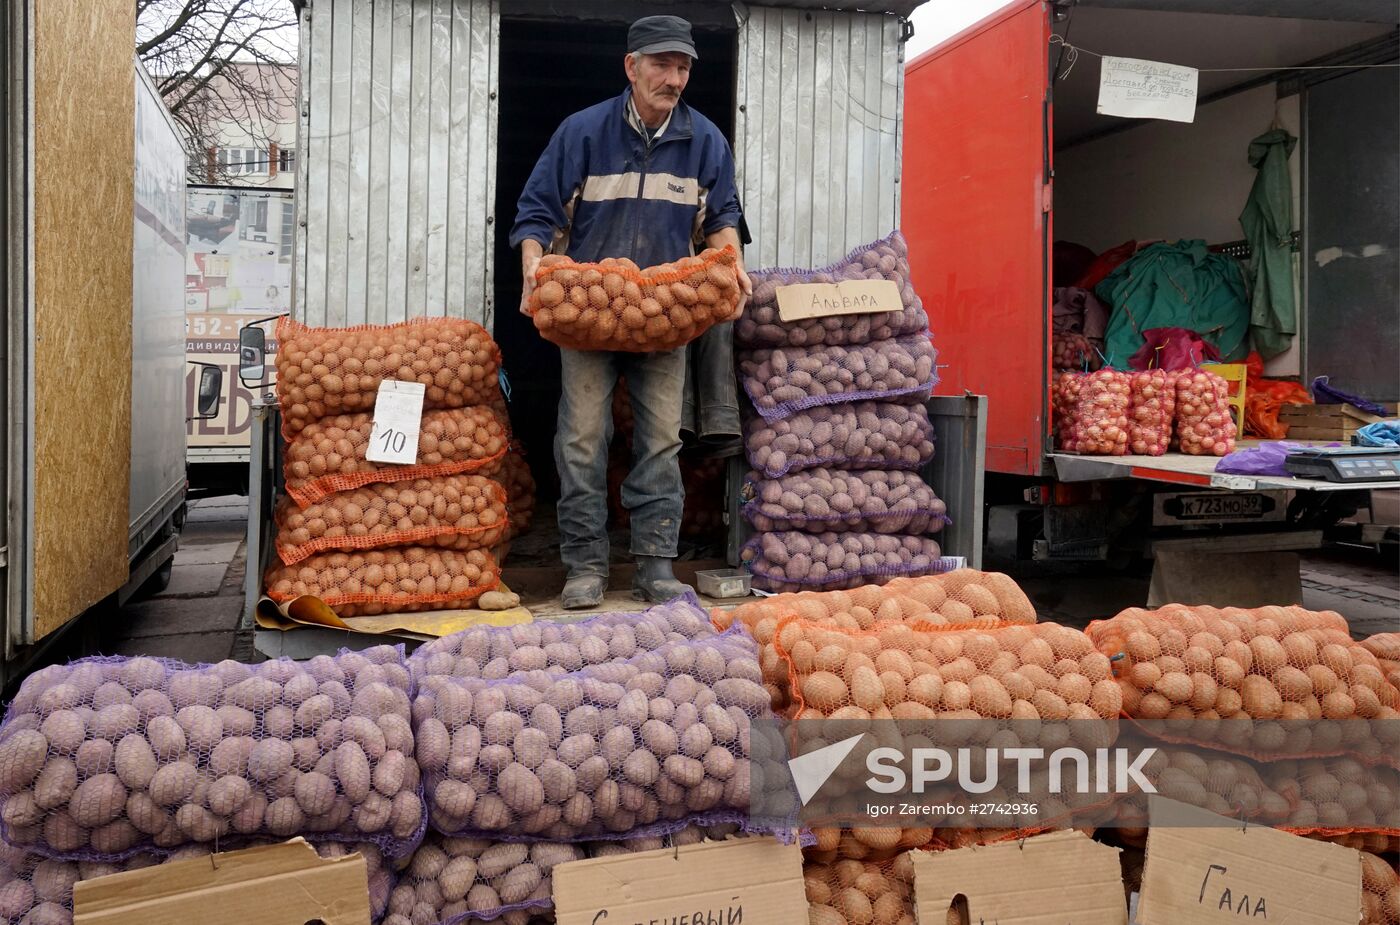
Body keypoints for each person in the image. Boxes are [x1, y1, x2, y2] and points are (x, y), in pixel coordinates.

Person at [510, 15, 751, 609]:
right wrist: (533, 264)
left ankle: (655, 565)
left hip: (665, 320)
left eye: (683, 67)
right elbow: (537, 211)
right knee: (581, 440)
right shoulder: (583, 133)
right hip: (588, 319)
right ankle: (585, 565)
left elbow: (721, 220)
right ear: (632, 67)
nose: (674, 78)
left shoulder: (705, 141)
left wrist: (733, 265)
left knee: (661, 441)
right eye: (662, 65)